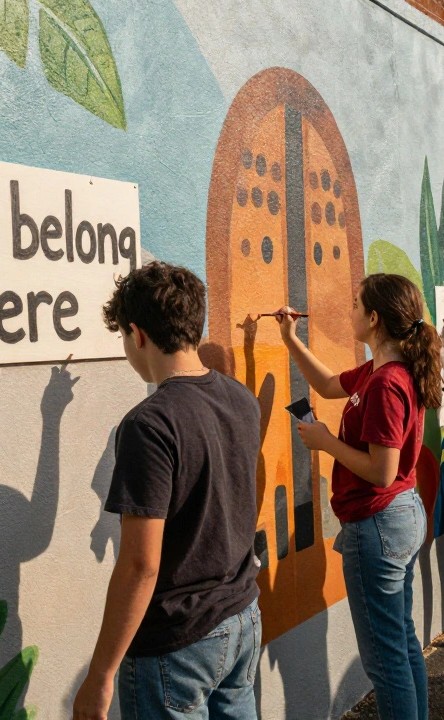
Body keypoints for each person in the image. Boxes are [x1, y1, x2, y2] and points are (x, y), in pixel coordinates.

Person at [75, 263, 262, 720]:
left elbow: (141, 564)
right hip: (241, 618)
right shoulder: (241, 398)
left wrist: (100, 676)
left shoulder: (148, 424)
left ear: (136, 334)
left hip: (177, 644)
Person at [276, 273, 434, 719]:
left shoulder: (387, 383)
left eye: (354, 304)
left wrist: (326, 441)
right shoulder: (381, 371)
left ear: (374, 318)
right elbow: (328, 385)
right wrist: (291, 340)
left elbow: (381, 472)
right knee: (401, 644)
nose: (349, 312)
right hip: (398, 516)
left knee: (386, 662)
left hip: (379, 520)